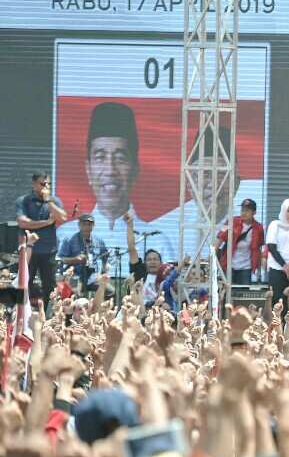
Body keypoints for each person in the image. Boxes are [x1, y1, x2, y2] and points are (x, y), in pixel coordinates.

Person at [58, 101, 174, 262]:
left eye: (120, 158)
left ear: (135, 170)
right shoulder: (66, 236)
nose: (110, 170)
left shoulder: (156, 240)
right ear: (88, 169)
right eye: (100, 157)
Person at [15, 170, 68, 307]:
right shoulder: (23, 201)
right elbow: (23, 222)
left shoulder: (54, 201)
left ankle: (48, 315)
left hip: (48, 250)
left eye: (48, 184)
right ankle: (22, 312)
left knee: (49, 286)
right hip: (29, 250)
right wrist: (46, 222)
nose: (46, 187)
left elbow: (62, 218)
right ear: (34, 184)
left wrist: (48, 201)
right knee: (25, 282)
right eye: (43, 184)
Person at [214, 198, 265, 285]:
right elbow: (220, 239)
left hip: (246, 266)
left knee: (243, 290)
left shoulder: (258, 228)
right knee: (226, 289)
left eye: (247, 211)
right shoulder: (231, 222)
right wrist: (211, 255)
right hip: (229, 264)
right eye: (242, 210)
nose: (243, 213)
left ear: (254, 213)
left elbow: (258, 249)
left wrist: (259, 271)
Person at [57, 214, 108, 296]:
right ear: (79, 225)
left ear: (93, 226)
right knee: (74, 294)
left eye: (89, 224)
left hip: (92, 277)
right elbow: (61, 259)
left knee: (110, 291)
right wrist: (75, 260)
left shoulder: (98, 240)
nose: (86, 226)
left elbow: (106, 257)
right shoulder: (69, 240)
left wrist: (102, 274)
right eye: (84, 224)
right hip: (75, 275)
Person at [266, 199, 289, 309]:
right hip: (277, 268)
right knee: (277, 300)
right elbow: (271, 247)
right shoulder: (275, 225)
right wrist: (285, 266)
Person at [123, 211, 163, 304]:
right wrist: (129, 224)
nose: (152, 262)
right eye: (149, 260)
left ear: (161, 263)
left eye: (155, 259)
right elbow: (131, 248)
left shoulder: (165, 278)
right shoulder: (139, 273)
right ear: (144, 263)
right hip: (139, 308)